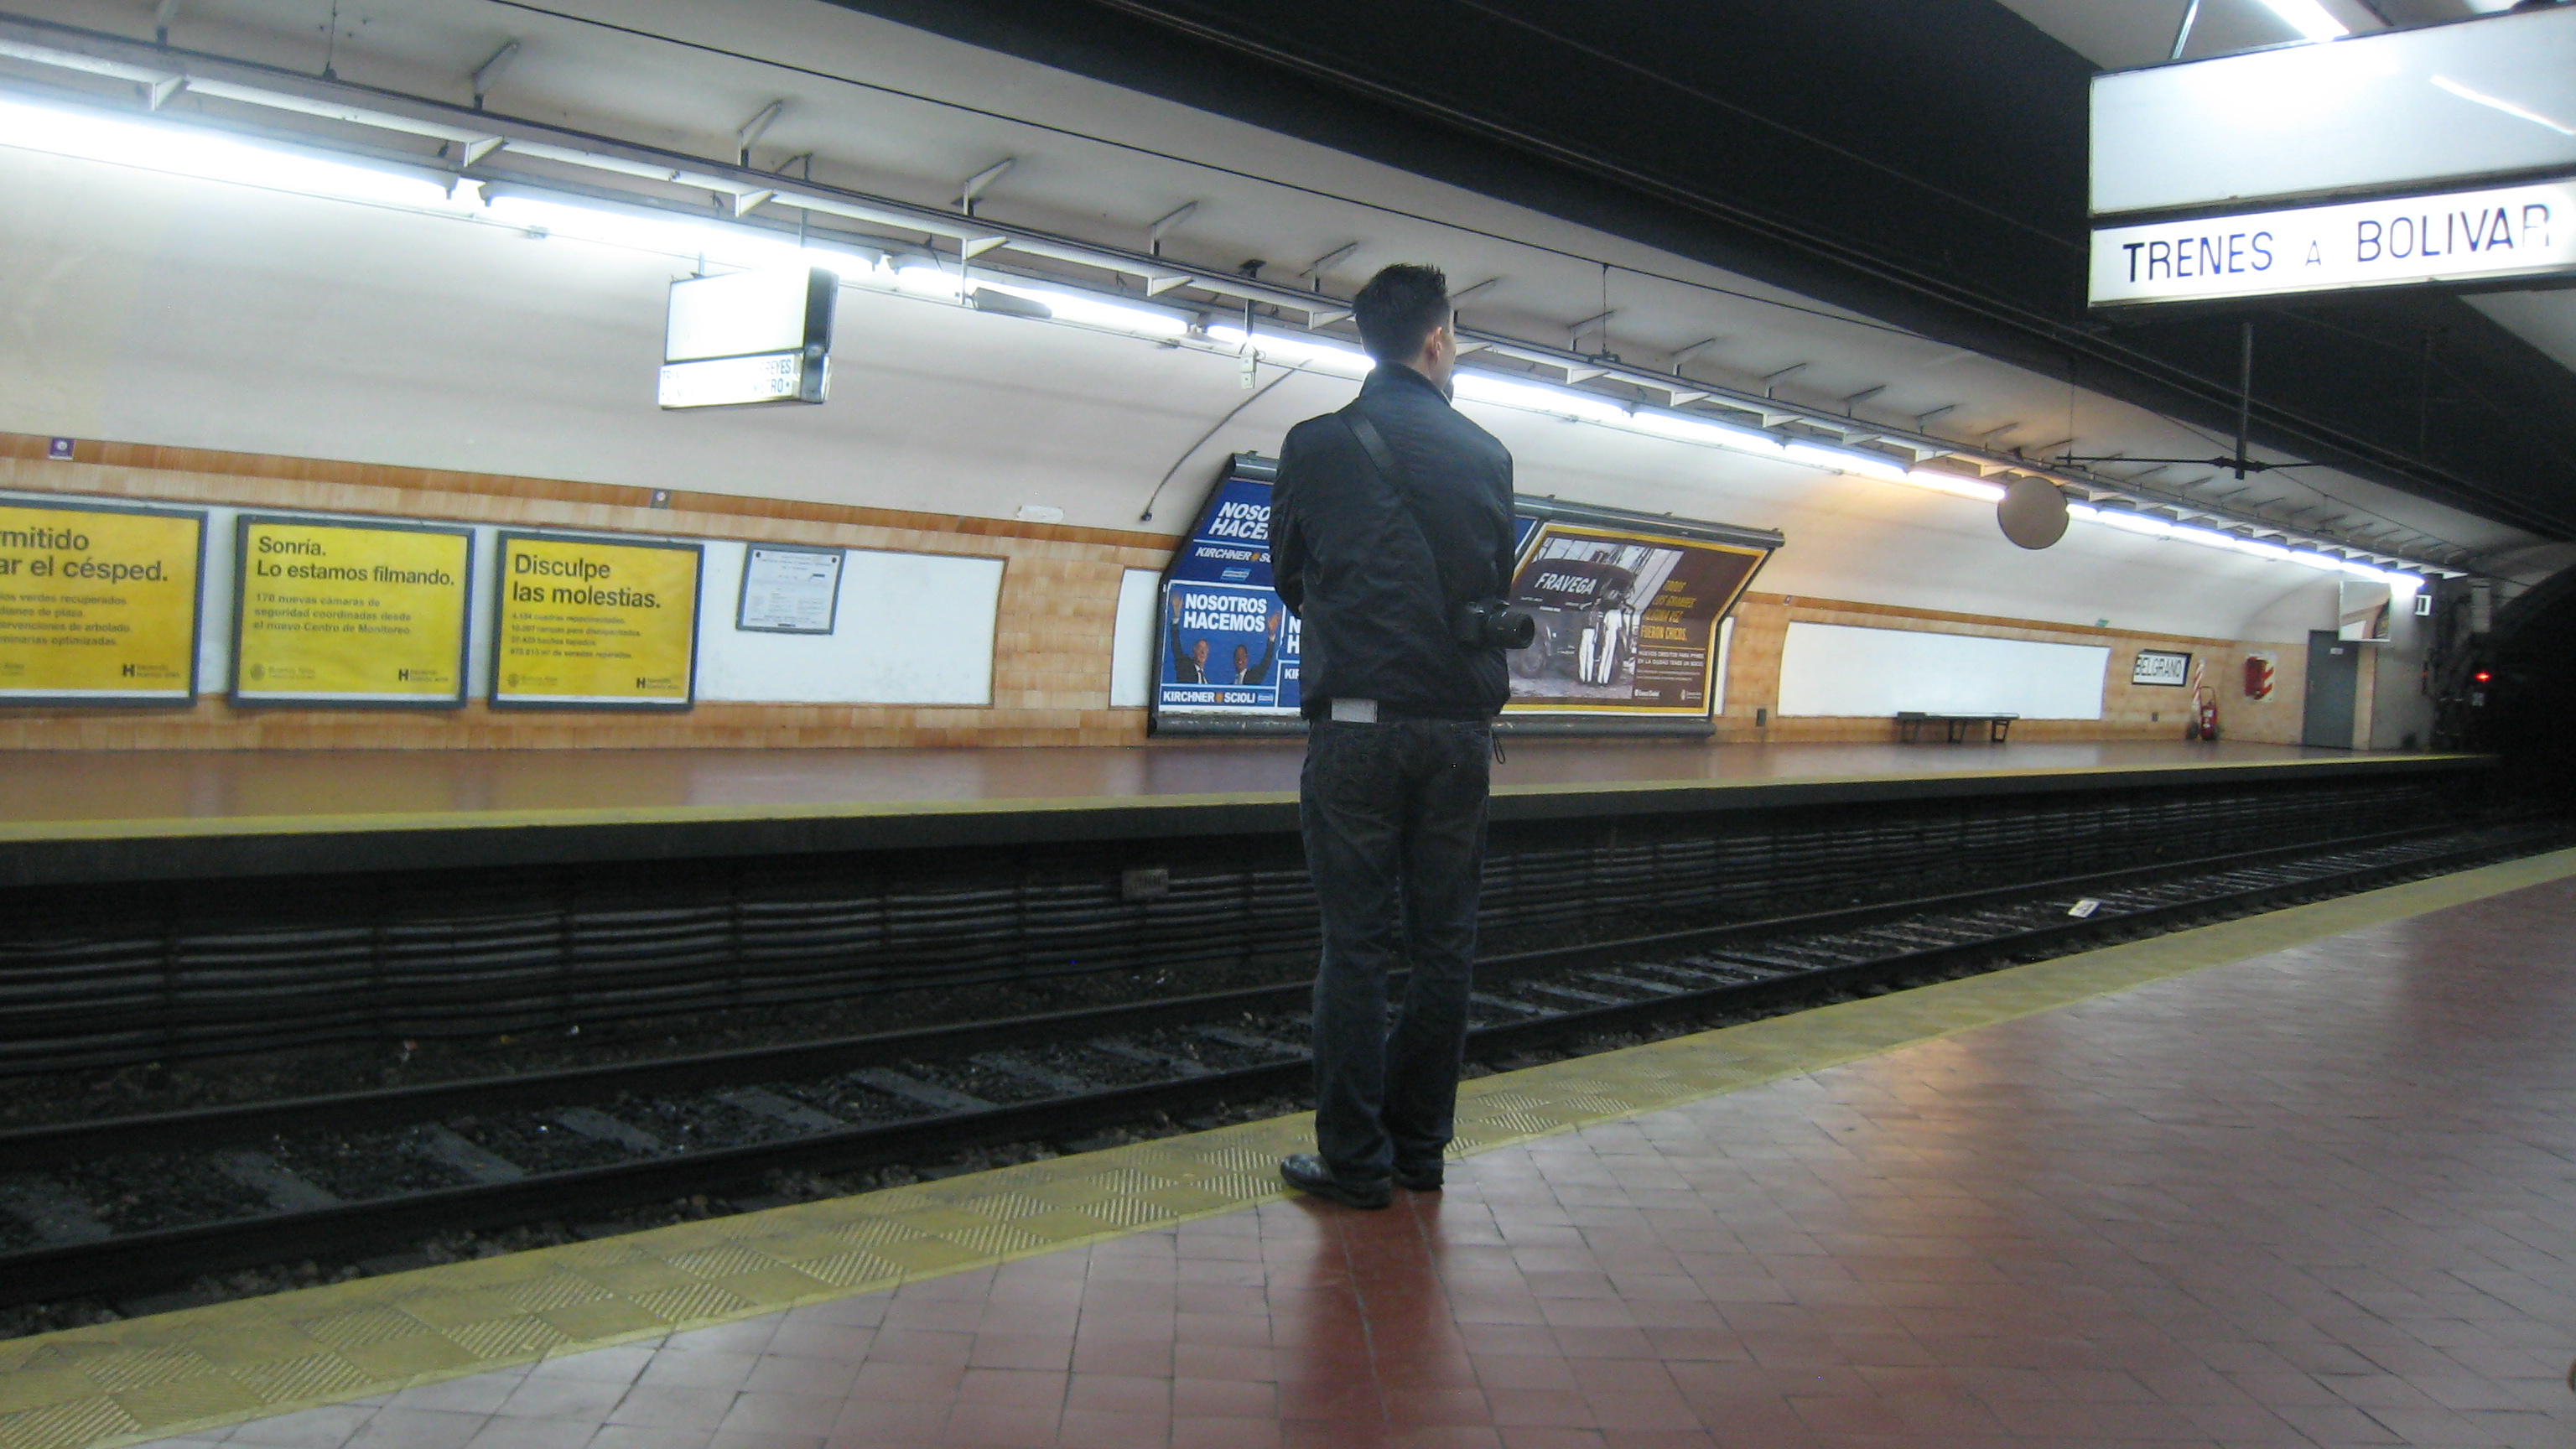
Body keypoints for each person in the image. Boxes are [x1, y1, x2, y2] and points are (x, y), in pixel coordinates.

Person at [1269, 262, 1519, 1209]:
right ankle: (1421, 1151)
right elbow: (1490, 582)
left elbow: (1288, 572)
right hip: (1456, 732)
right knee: (1445, 944)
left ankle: (1356, 1164)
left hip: (1356, 729)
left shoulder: (1314, 444)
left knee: (1357, 946)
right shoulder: (1487, 454)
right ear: (1437, 339)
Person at [1166, 593, 1212, 684]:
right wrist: (1176, 618)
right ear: (1194, 651)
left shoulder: (1207, 682)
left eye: (1205, 649)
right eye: (1200, 648)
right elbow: (1176, 647)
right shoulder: (1185, 667)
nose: (1203, 652)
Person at [1233, 607, 1284, 685]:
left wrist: (1271, 634)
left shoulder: (1254, 676)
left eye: (1243, 655)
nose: (1240, 659)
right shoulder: (1231, 685)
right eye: (1237, 656)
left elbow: (1266, 661)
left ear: (1247, 658)